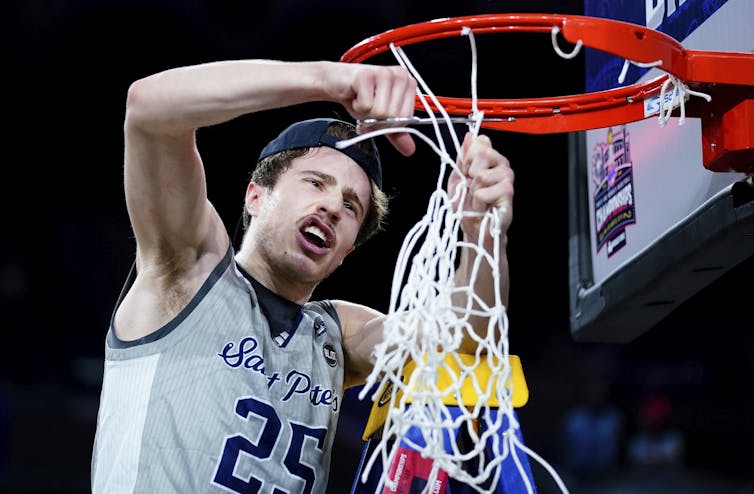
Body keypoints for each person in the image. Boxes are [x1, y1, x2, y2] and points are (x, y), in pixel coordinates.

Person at [90, 59, 514, 493]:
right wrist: (330, 81)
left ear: (348, 251)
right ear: (255, 195)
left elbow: (466, 334)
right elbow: (149, 109)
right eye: (315, 182)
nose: (332, 206)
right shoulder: (188, 272)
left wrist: (484, 234)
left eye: (351, 206)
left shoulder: (336, 334)